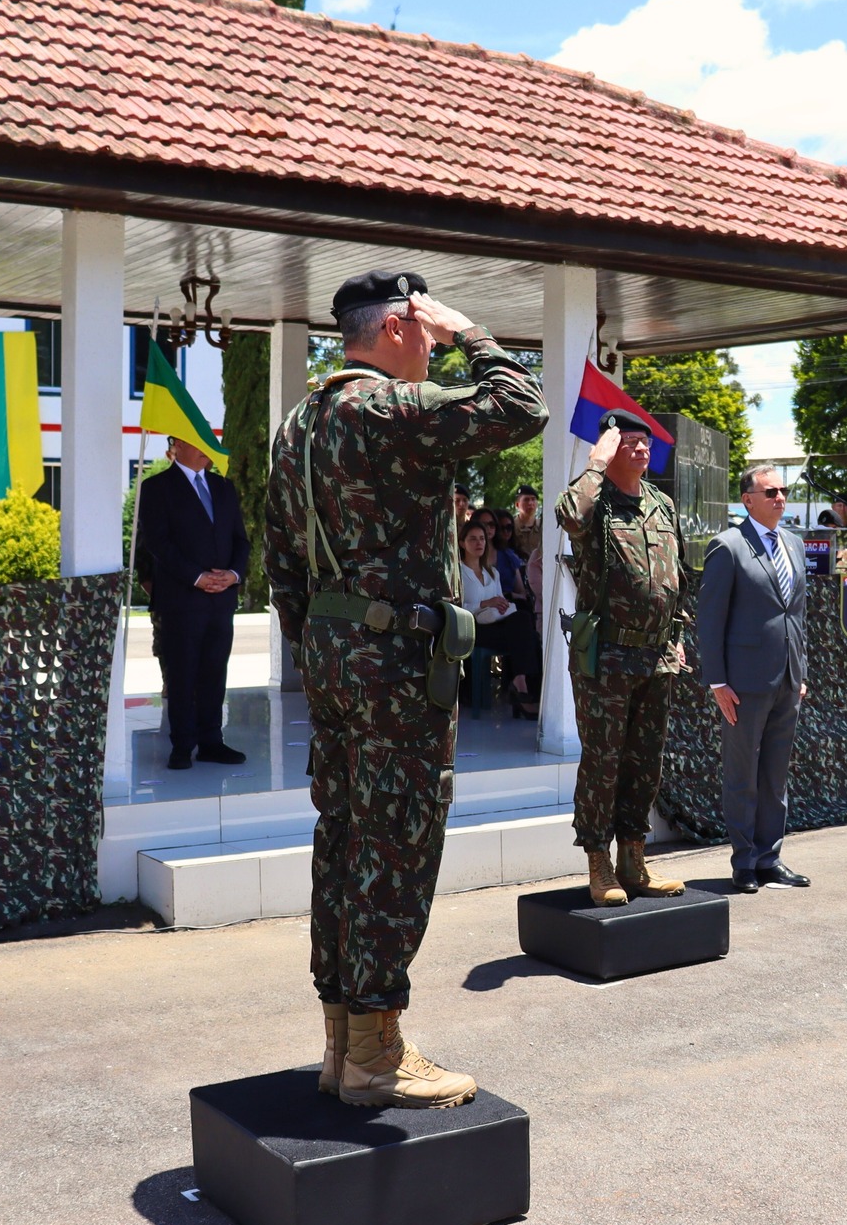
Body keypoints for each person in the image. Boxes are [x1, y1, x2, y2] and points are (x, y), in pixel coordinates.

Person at [264, 270, 546, 1111]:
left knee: (344, 838)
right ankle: (376, 1053)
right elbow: (522, 404)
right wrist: (470, 332)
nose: (432, 346)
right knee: (398, 841)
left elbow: (280, 556)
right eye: (423, 330)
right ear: (394, 328)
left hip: (335, 653)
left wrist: (324, 643)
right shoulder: (387, 408)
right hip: (395, 662)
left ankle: (341, 1040)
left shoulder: (299, 422)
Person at [557, 410, 690, 904]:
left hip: (656, 656)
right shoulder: (594, 501)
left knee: (645, 763)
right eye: (628, 441)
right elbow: (570, 516)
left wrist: (677, 633)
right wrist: (595, 464)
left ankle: (634, 860)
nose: (641, 449)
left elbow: (676, 575)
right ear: (610, 449)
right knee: (603, 763)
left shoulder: (661, 503)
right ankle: (599, 863)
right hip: (607, 656)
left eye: (644, 442)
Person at [698, 462, 810, 895]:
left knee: (775, 777)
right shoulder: (728, 546)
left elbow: (797, 615)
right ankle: (744, 862)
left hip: (787, 679)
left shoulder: (794, 544)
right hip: (742, 684)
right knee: (742, 775)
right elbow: (710, 619)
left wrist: (800, 671)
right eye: (771, 492)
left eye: (783, 491)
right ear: (748, 500)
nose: (780, 498)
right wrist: (717, 682)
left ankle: (769, 859)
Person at [138, 437, 250, 771]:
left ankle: (211, 742)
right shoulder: (157, 488)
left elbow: (240, 540)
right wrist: (196, 577)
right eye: (196, 441)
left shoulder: (223, 487)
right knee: (182, 673)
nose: (205, 447)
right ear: (176, 447)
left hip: (221, 599)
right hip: (181, 599)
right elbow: (158, 543)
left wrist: (233, 574)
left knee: (214, 671)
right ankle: (182, 745)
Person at [461, 521, 540, 718]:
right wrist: (485, 603)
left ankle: (522, 684)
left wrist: (501, 604)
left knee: (524, 623)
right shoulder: (458, 573)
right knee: (526, 632)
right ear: (462, 543)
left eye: (482, 539)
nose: (479, 543)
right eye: (473, 539)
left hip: (496, 623)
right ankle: (524, 690)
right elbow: (457, 607)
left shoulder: (492, 572)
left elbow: (499, 600)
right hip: (473, 627)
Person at [512, 484, 542, 560]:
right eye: (526, 500)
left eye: (533, 499)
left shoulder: (542, 526)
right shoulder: (511, 527)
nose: (530, 503)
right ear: (517, 504)